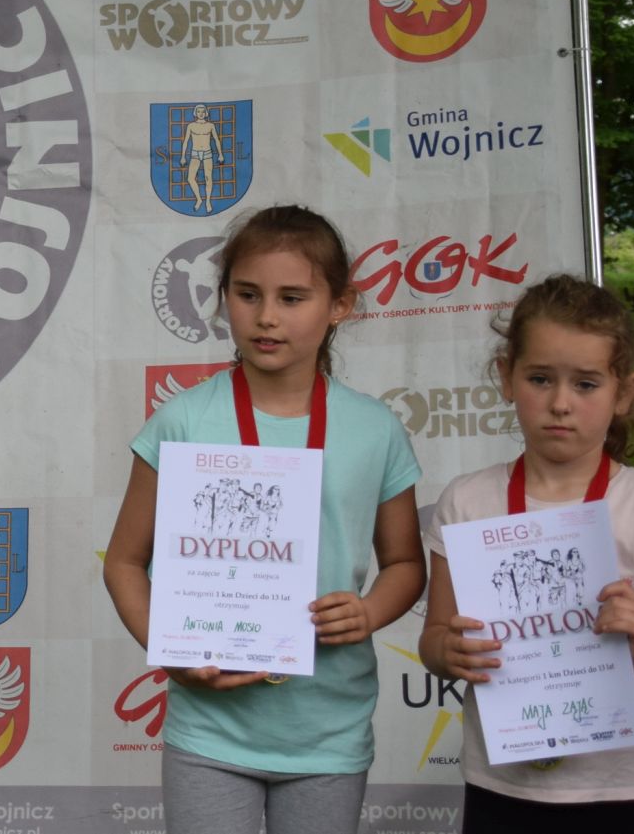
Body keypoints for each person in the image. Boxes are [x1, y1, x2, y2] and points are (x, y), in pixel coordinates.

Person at [102, 205, 424, 834]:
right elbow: (124, 562)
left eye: (292, 298)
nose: (267, 316)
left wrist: (369, 612)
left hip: (328, 730)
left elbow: (407, 563)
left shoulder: (375, 429)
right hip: (210, 729)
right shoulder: (182, 421)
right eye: (247, 294)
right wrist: (170, 649)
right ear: (224, 296)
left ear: (340, 305)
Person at [419, 275, 634, 833]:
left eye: (586, 384)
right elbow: (434, 640)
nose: (560, 403)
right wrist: (447, 651)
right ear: (506, 377)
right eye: (539, 379)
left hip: (624, 792)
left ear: (623, 393)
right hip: (501, 786)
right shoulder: (467, 501)